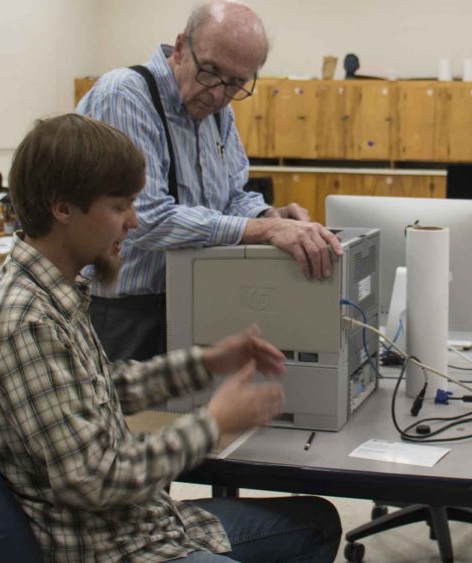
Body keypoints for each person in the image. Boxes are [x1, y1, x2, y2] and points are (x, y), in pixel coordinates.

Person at [0, 114, 341, 562]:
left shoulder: (54, 290)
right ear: (63, 208)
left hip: (142, 523)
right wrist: (213, 424)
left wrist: (207, 362)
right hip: (110, 548)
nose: (135, 222)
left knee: (316, 523)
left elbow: (104, 386)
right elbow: (95, 479)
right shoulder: (27, 321)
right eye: (120, 206)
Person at [76, 1, 342, 361]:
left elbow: (232, 195)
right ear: (182, 48)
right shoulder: (126, 96)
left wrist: (268, 216)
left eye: (236, 82)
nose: (218, 93)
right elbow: (146, 220)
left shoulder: (218, 114)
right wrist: (259, 231)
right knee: (129, 416)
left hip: (191, 300)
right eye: (211, 72)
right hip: (125, 312)